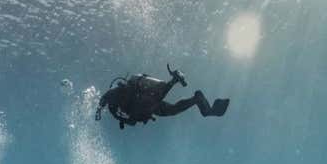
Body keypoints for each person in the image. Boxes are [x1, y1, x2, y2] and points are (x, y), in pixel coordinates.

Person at [96, 64, 229, 129]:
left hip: (144, 101)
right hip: (148, 106)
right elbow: (131, 120)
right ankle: (198, 100)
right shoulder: (117, 107)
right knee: (172, 110)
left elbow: (106, 97)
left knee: (157, 99)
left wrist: (98, 111)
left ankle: (175, 80)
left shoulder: (116, 96)